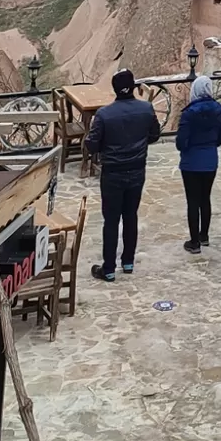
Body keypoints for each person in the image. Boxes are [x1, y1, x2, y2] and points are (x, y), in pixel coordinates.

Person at [88, 68, 162, 282]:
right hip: (137, 170)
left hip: (112, 173)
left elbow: (92, 145)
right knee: (131, 216)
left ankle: (108, 268)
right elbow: (155, 135)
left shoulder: (104, 114)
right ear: (134, 86)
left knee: (111, 220)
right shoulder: (146, 109)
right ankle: (128, 262)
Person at [174, 74, 221, 252]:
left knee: (192, 201)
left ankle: (194, 242)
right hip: (210, 161)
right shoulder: (219, 110)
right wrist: (211, 144)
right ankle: (204, 235)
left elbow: (181, 141)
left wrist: (188, 147)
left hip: (191, 162)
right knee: (205, 198)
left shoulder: (189, 113)